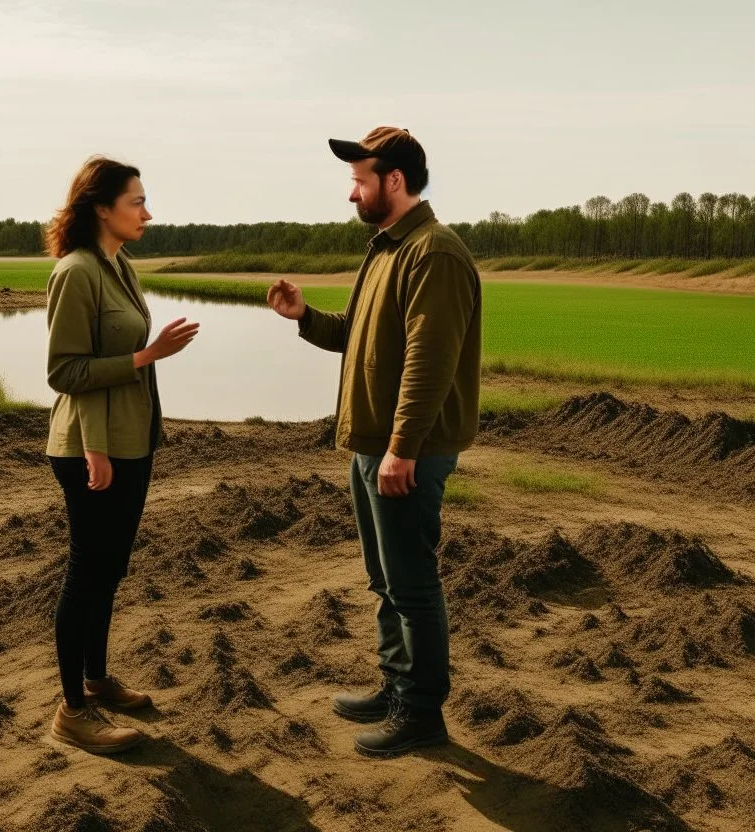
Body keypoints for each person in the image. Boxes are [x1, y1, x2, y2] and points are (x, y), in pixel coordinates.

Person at [267, 127, 482, 757]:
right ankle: (396, 685)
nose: (351, 193)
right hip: (374, 445)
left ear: (394, 181)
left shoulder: (434, 253)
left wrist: (402, 449)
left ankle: (421, 713)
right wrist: (304, 318)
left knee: (412, 582)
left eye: (360, 181)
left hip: (404, 450)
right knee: (385, 579)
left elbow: (429, 361)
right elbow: (356, 337)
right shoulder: (387, 250)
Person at [43, 156, 199, 753]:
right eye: (136, 201)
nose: (148, 212)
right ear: (101, 208)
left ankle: (98, 678)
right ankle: (72, 710)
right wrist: (145, 356)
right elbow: (65, 371)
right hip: (92, 450)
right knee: (87, 573)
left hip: (132, 441)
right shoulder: (77, 272)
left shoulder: (119, 265)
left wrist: (148, 359)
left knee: (110, 571)